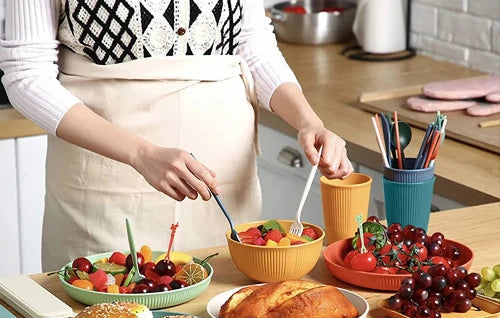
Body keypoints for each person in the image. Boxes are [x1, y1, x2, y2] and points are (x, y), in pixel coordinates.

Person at [0, 1, 354, 271]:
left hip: (222, 178)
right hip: (106, 178)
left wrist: (307, 120)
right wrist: (139, 154)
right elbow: (27, 75)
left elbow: (251, 43)